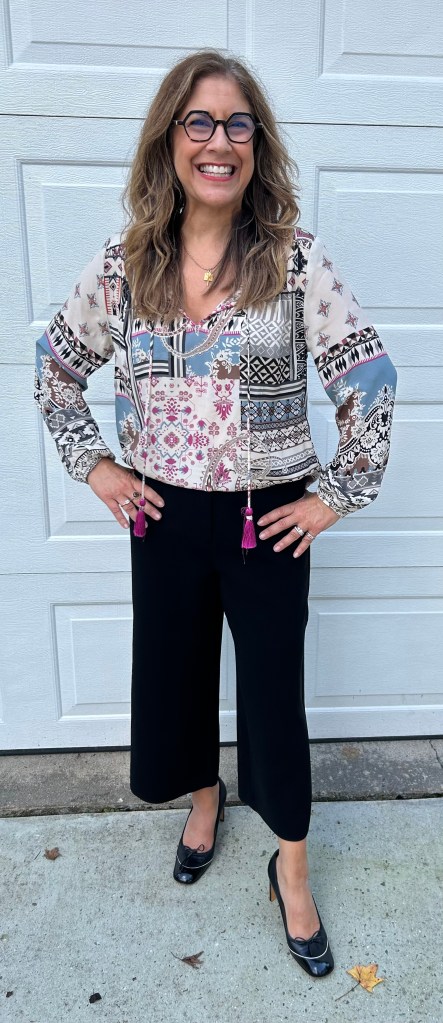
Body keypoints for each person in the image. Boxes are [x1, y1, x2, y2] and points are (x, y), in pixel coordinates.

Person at [34, 49, 397, 979]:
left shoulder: (293, 260)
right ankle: (205, 799)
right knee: (177, 673)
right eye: (198, 122)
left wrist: (332, 495)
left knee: (273, 694)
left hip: (263, 519)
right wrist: (97, 468)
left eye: (238, 124)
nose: (218, 141)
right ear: (169, 140)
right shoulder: (124, 266)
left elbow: (371, 379)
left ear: (256, 146)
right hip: (161, 515)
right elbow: (56, 371)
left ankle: (292, 868)